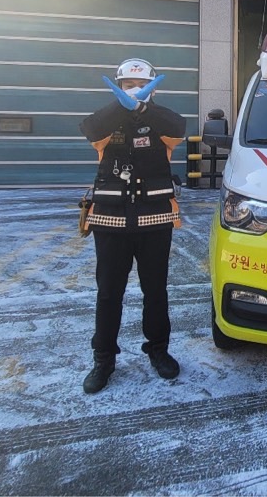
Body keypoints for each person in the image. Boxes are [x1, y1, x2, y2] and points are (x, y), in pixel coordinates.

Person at [78, 58, 187, 394]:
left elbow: (178, 127)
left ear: (153, 88)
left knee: (155, 291)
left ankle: (158, 350)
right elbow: (91, 129)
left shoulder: (161, 122)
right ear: (119, 86)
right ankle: (104, 359)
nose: (135, 90)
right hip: (110, 221)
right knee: (109, 293)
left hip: (155, 220)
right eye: (128, 86)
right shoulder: (108, 123)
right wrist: (122, 106)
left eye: (141, 85)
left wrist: (142, 108)